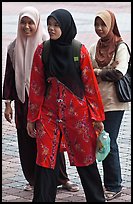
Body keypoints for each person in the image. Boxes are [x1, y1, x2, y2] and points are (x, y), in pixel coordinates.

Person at [27, 8, 106, 202]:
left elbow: (90, 87)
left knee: (86, 159)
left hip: (78, 116)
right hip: (48, 115)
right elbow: (36, 87)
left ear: (66, 27)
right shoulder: (42, 50)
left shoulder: (79, 50)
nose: (51, 29)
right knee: (45, 159)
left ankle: (96, 199)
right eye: (50, 25)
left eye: (56, 25)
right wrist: (32, 118)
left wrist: (97, 118)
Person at [2, 6, 79, 193]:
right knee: (26, 141)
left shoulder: (46, 43)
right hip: (23, 101)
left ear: (37, 23)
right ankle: (33, 178)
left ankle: (62, 178)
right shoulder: (13, 47)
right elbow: (10, 77)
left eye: (30, 22)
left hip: (46, 102)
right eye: (23, 22)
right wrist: (7, 104)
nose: (27, 26)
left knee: (51, 139)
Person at [89, 10, 130, 201]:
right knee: (99, 142)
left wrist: (97, 71)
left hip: (114, 102)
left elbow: (119, 73)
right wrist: (102, 71)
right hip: (97, 102)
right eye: (97, 25)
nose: (99, 29)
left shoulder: (121, 47)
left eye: (103, 25)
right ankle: (107, 183)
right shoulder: (94, 47)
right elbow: (86, 70)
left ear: (111, 25)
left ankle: (114, 185)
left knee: (109, 142)